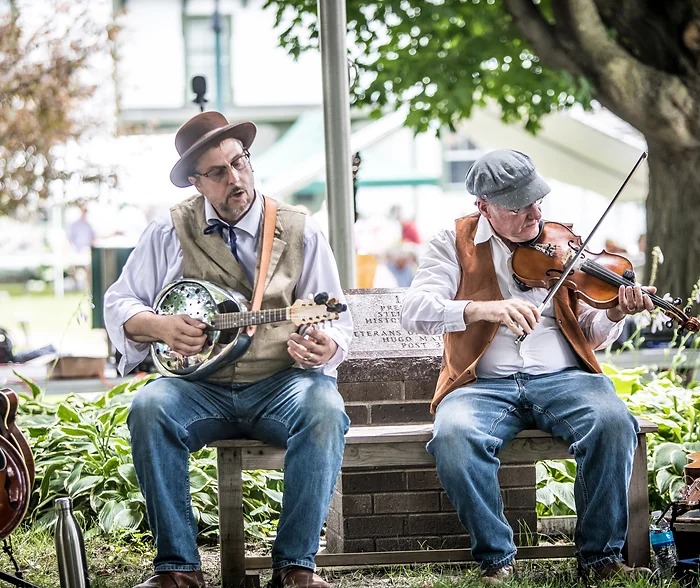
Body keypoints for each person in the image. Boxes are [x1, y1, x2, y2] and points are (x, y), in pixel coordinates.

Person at [103, 111, 353, 588]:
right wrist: (158, 326)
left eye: (239, 162)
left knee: (324, 407)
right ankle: (178, 572)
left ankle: (296, 567)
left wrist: (325, 346)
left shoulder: (301, 230)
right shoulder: (168, 231)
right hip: (200, 387)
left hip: (281, 385)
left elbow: (338, 319)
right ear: (196, 182)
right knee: (150, 406)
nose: (235, 178)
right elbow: (119, 301)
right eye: (218, 172)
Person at [400, 149, 655, 585]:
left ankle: (600, 557)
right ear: (483, 207)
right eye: (519, 206)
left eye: (537, 199)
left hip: (563, 379)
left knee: (613, 421)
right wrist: (484, 310)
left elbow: (587, 332)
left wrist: (613, 314)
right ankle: (496, 558)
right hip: (482, 385)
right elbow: (415, 311)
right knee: (453, 437)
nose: (534, 213)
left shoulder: (563, 245)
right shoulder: (453, 242)